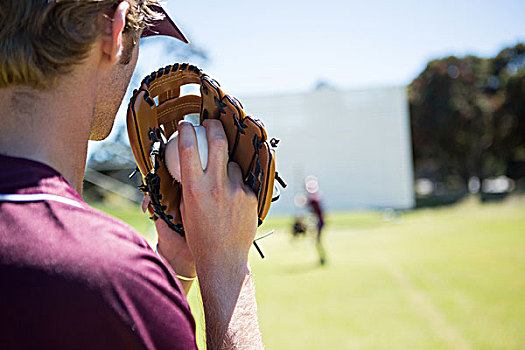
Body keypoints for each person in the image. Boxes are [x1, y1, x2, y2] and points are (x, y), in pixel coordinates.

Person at [0, 1, 263, 349]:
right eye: (139, 36)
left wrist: (173, 267)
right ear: (115, 30)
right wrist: (229, 271)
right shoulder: (108, 279)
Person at [304, 176, 327, 265]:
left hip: (319, 222)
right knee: (317, 241)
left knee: (318, 241)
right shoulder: (315, 198)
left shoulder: (314, 199)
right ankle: (321, 258)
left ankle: (322, 259)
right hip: (318, 221)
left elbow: (307, 204)